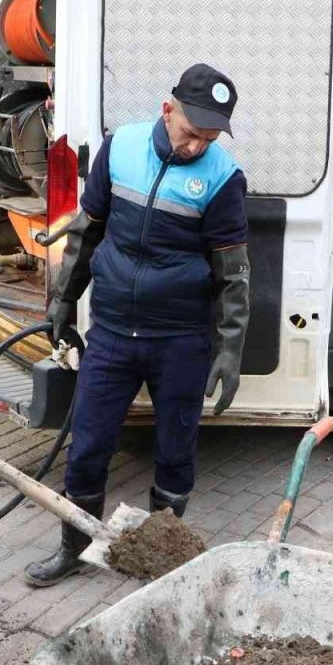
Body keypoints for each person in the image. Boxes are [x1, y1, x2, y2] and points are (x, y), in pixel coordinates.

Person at [24, 63, 251, 587]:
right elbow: (87, 231)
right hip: (111, 334)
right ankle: (72, 548)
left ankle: (161, 558)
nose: (198, 146)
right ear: (167, 109)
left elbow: (233, 275)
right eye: (192, 133)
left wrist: (229, 349)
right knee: (87, 447)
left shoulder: (221, 178)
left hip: (179, 339)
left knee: (175, 453)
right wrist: (62, 299)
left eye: (210, 138)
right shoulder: (120, 148)